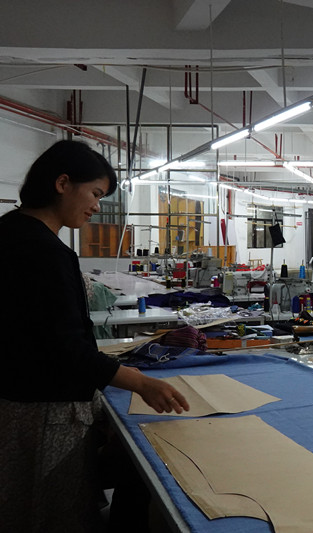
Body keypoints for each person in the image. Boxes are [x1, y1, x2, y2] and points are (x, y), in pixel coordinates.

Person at [0, 140, 190, 531]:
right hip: (46, 410)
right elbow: (65, 346)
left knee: (20, 507)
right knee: (55, 515)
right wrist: (138, 382)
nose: (97, 206)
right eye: (95, 193)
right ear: (62, 183)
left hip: (13, 402)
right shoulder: (45, 251)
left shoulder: (7, 231)